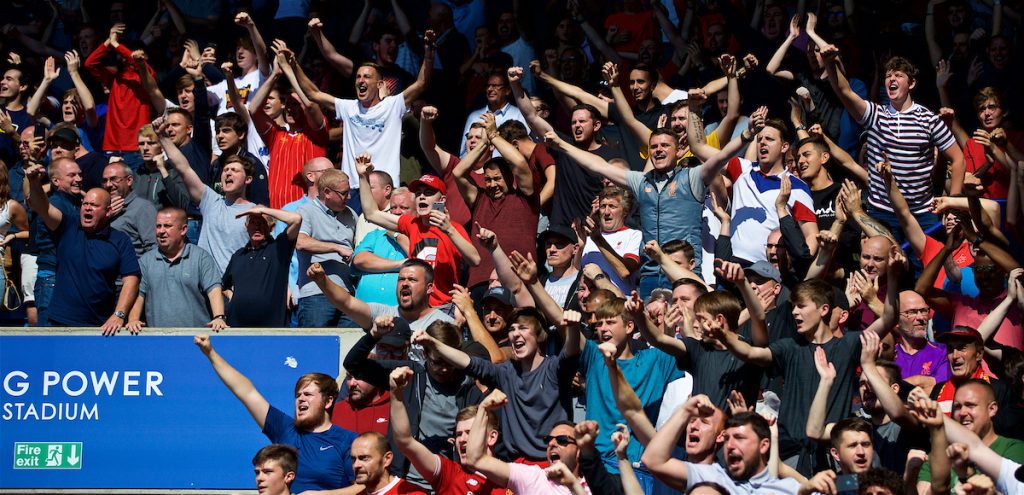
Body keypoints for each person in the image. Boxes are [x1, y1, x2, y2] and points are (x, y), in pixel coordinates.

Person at [822, 47, 964, 237]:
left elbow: (958, 159)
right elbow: (844, 90)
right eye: (888, 76)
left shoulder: (929, 119)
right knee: (883, 265)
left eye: (898, 75)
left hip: (921, 214)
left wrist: (952, 205)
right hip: (882, 213)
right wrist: (830, 63)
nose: (892, 79)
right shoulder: (875, 115)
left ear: (911, 83)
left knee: (928, 265)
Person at [193, 334, 357, 493]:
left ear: (328, 402)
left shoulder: (347, 439)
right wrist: (210, 353)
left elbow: (364, 486)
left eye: (307, 395)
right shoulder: (285, 429)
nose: (300, 399)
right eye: (297, 395)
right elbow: (247, 392)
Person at [414, 308, 581, 461]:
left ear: (540, 335)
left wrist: (573, 328)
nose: (515, 334)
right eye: (511, 329)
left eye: (522, 328)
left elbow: (570, 353)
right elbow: (467, 362)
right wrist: (432, 343)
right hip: (516, 467)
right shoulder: (505, 373)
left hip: (551, 462)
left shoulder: (553, 369)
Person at [302, 32, 435, 191]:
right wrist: (293, 65)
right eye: (358, 77)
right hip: (352, 188)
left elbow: (422, 83)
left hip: (383, 188)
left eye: (366, 77)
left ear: (379, 84)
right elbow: (314, 93)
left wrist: (428, 54)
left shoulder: (393, 103)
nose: (361, 80)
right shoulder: (349, 107)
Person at [24, 160, 139, 332]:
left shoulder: (120, 240)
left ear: (108, 212)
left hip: (100, 328)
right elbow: (44, 207)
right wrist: (34, 182)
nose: (87, 208)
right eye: (85, 204)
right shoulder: (68, 227)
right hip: (59, 323)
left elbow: (131, 278)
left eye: (94, 205)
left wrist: (119, 314)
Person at [357, 153, 480, 306]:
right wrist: (363, 176)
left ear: (441, 200)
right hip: (415, 308)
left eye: (428, 193)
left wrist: (449, 230)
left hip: (443, 307)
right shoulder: (412, 224)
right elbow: (371, 213)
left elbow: (475, 260)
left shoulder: (454, 228)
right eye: (418, 193)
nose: (422, 197)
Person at [156, 116, 256, 274]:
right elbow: (183, 167)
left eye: (234, 170)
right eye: (226, 170)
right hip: (209, 287)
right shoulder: (211, 201)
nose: (228, 173)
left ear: (248, 179)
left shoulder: (255, 212)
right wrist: (162, 137)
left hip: (238, 286)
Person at [388, 366, 506, 495]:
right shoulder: (449, 474)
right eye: (458, 434)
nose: (461, 440)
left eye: (469, 432)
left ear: (492, 437)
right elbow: (405, 442)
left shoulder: (514, 476)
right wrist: (396, 396)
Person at [645, 403, 802, 494]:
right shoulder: (713, 476)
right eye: (728, 439)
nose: (731, 445)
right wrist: (685, 410)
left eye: (739, 438)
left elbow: (769, 479)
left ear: (764, 445)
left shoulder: (788, 489)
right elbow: (652, 460)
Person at [464, 389, 589, 495]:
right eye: (548, 440)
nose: (552, 444)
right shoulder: (533, 477)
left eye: (562, 440)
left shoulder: (592, 487)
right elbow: (475, 459)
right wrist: (483, 409)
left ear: (579, 451)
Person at [126, 207, 225, 332]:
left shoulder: (200, 257)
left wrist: (219, 317)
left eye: (167, 226)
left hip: (197, 339)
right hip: (159, 339)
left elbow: (214, 290)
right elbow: (139, 295)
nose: (161, 231)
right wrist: (133, 319)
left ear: (183, 230)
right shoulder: (146, 261)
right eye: (158, 226)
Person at [295, 168, 358, 328]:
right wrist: (336, 248)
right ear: (327, 192)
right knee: (314, 348)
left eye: (348, 191)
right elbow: (301, 242)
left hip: (348, 293)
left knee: (348, 348)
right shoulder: (306, 210)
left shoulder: (350, 214)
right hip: (317, 294)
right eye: (343, 193)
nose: (348, 197)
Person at [222, 205, 301, 328]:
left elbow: (296, 219)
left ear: (271, 227)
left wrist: (262, 210)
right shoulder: (238, 255)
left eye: (262, 222)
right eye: (253, 222)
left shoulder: (279, 248)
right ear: (246, 226)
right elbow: (224, 286)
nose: (257, 226)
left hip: (271, 328)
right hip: (237, 326)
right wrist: (232, 296)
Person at [351, 187, 413, 306]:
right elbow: (359, 260)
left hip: (400, 313)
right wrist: (400, 265)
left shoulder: (420, 236)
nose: (397, 212)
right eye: (393, 207)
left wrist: (397, 236)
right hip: (364, 310)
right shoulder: (375, 235)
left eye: (404, 207)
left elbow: (419, 261)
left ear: (416, 210)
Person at [101, 162, 156, 256]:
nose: (108, 184)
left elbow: (153, 247)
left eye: (114, 179)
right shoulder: (102, 209)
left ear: (129, 180)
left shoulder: (143, 208)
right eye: (105, 181)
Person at [349, 431, 428, 495]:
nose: (356, 465)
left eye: (364, 458)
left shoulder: (412, 493)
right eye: (353, 459)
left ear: (387, 459)